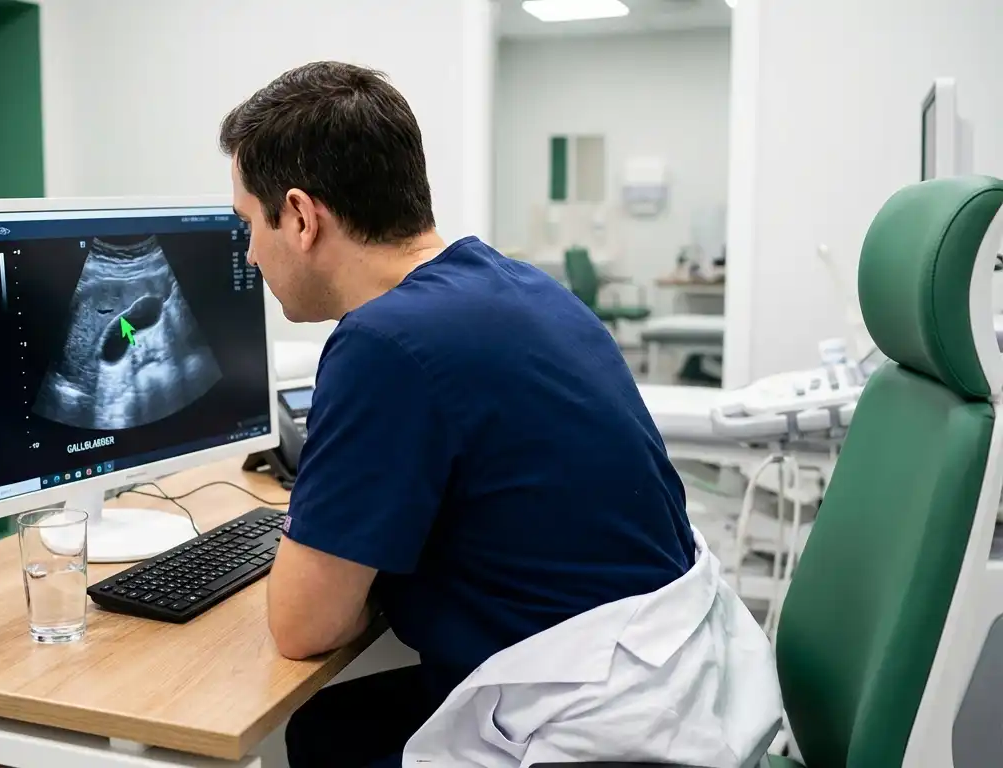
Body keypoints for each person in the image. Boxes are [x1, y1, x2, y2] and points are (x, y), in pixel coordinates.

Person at [218, 62, 701, 768]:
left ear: (298, 216)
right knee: (328, 725)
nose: (251, 252)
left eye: (247, 224)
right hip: (657, 677)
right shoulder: (522, 286)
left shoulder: (384, 343)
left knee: (313, 735)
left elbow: (303, 626)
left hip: (587, 724)